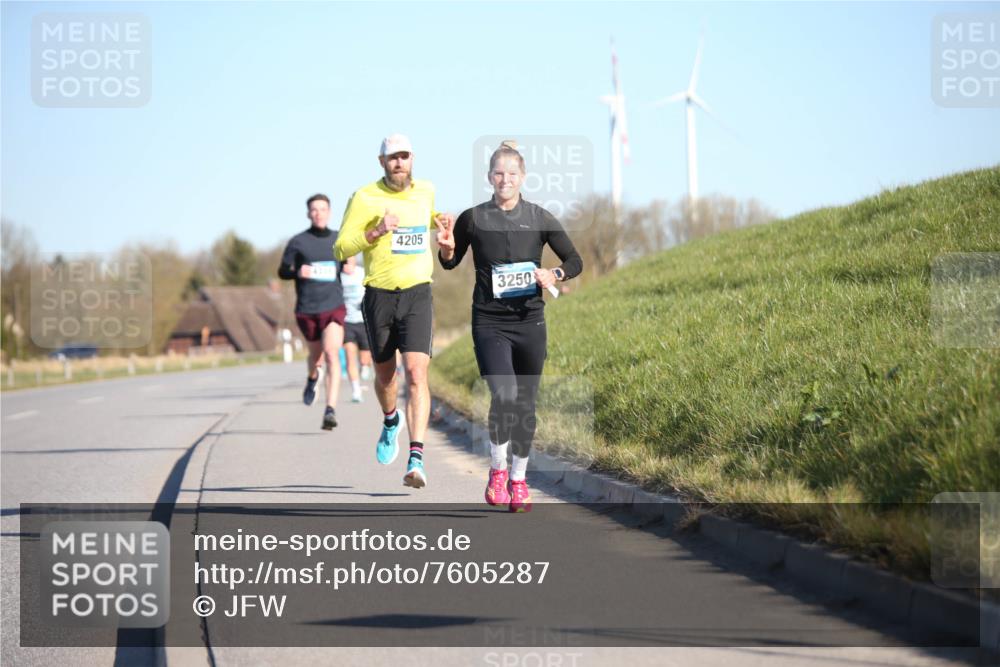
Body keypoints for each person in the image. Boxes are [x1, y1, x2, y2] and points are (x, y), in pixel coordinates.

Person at [437, 141, 582, 512]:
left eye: (512, 174)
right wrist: (448, 248)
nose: (505, 179)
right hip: (489, 321)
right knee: (504, 396)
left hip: (530, 320)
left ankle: (519, 479)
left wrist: (555, 272)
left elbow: (574, 259)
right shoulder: (473, 218)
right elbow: (450, 263)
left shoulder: (539, 218)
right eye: (498, 173)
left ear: (523, 177)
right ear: (489, 177)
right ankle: (498, 471)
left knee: (526, 405)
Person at [334, 134, 452, 488]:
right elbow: (341, 247)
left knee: (416, 374)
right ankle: (390, 420)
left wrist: (442, 223)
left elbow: (425, 216)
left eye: (404, 156)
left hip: (417, 293)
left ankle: (416, 458)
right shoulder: (364, 196)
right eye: (392, 157)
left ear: (412, 159)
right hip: (379, 295)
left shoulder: (426, 190)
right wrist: (375, 232)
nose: (399, 162)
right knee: (386, 377)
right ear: (381, 162)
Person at [278, 193, 347, 430]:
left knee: (331, 353)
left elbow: (348, 264)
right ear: (309, 213)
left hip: (333, 306)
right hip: (307, 308)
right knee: (315, 357)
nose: (318, 213)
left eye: (323, 209)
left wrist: (349, 266)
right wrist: (298, 271)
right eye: (314, 210)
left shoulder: (340, 239)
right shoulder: (298, 242)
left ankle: (330, 410)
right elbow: (283, 271)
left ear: (329, 212)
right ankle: (312, 378)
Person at [340, 253, 373, 402]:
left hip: (363, 320)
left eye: (350, 259)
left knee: (365, 356)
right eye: (345, 260)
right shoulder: (338, 276)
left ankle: (365, 366)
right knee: (349, 354)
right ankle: (355, 391)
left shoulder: (361, 272)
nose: (348, 262)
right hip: (346, 321)